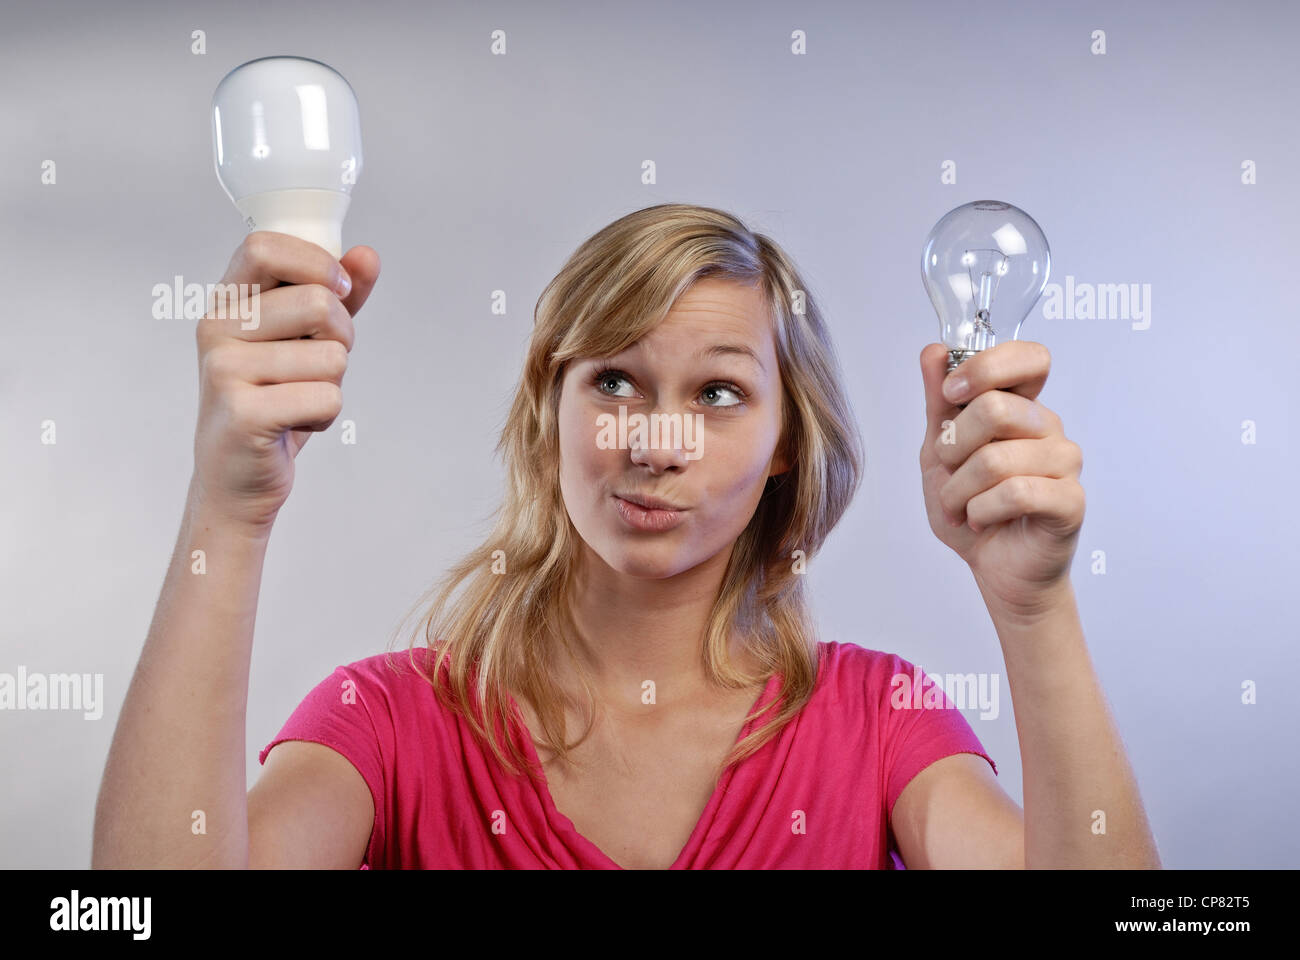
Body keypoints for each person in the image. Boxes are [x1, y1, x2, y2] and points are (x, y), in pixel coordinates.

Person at [92, 203, 1159, 870]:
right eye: (611, 379)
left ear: (787, 442)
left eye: (720, 393)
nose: (655, 440)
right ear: (546, 408)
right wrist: (227, 514)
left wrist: (1034, 607)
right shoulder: (388, 722)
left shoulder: (879, 721)